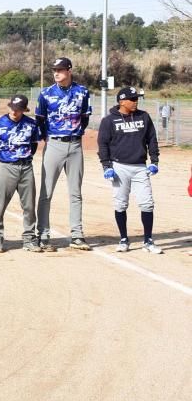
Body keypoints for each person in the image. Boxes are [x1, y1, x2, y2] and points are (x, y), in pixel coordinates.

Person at [35, 57, 92, 251]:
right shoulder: (46, 93)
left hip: (75, 146)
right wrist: (49, 139)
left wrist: (75, 133)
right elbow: (40, 120)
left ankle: (76, 235)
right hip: (54, 144)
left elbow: (85, 117)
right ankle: (42, 235)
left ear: (69, 70)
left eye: (60, 69)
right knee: (46, 192)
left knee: (76, 192)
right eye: (54, 70)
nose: (56, 73)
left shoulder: (82, 92)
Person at [97, 87, 162, 254]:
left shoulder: (144, 116)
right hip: (119, 167)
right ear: (121, 101)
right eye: (132, 99)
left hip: (140, 167)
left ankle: (148, 240)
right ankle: (124, 239)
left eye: (136, 99)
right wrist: (106, 166)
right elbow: (103, 144)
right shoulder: (109, 120)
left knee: (147, 203)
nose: (135, 102)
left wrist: (154, 161)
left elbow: (152, 140)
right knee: (120, 204)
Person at [0, 94, 41, 253]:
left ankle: (29, 239)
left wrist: (23, 158)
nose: (14, 112)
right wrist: (4, 162)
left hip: (26, 168)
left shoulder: (31, 124)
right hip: (6, 167)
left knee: (29, 206)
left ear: (24, 110)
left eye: (18, 109)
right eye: (12, 108)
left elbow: (33, 145)